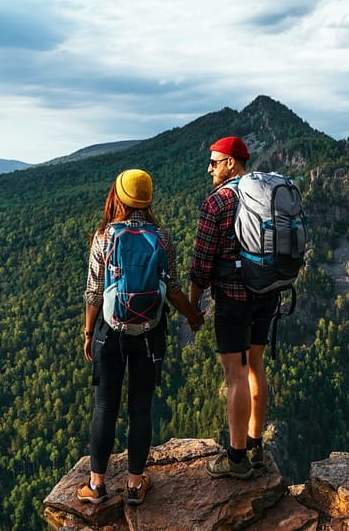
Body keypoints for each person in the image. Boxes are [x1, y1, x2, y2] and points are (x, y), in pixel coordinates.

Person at [79, 168, 204, 505]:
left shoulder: (104, 236)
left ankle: (96, 486)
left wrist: (90, 333)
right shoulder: (163, 237)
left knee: (105, 406)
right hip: (150, 333)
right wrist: (193, 316)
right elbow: (173, 288)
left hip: (111, 332)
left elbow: (93, 292)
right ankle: (135, 485)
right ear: (147, 199)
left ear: (118, 196)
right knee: (140, 407)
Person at [189, 137, 279, 480]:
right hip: (267, 292)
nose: (209, 168)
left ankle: (237, 458)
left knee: (235, 374)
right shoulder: (266, 193)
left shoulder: (219, 202)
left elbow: (201, 262)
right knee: (255, 366)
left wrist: (195, 304)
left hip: (232, 297)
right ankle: (256, 447)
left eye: (214, 161)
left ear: (231, 163)